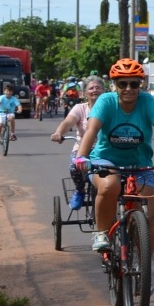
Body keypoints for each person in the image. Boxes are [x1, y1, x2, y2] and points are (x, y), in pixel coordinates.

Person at [73, 59, 154, 253]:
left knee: (148, 215)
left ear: (141, 85)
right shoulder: (106, 101)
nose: (128, 88)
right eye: (122, 84)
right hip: (106, 160)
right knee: (110, 185)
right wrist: (82, 157)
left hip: (140, 164)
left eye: (134, 84)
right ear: (114, 85)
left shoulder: (147, 101)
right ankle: (102, 232)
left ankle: (145, 271)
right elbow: (92, 130)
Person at [51, 76, 106, 209]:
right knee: (75, 166)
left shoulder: (111, 108)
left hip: (105, 148)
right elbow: (67, 122)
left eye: (98, 87)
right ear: (85, 93)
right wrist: (59, 133)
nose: (95, 90)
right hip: (82, 148)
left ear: (104, 91)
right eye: (91, 88)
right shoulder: (80, 108)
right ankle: (80, 190)